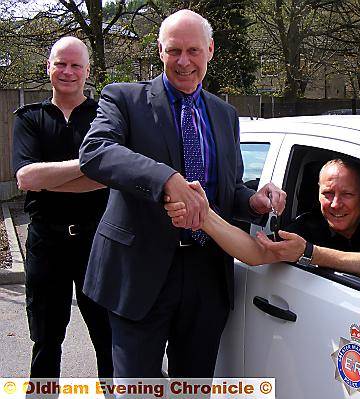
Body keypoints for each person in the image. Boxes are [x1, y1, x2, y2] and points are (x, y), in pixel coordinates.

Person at [78, 9, 285, 378]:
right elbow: (95, 152)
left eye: (193, 50)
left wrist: (253, 200)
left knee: (194, 385)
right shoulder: (124, 99)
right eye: (174, 51)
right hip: (139, 274)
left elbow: (229, 188)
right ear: (160, 50)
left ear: (210, 50)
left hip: (206, 274)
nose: (184, 61)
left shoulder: (225, 114)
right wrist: (165, 179)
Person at [12, 37, 113, 378]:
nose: (67, 71)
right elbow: (26, 177)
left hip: (97, 245)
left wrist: (51, 177)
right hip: (46, 246)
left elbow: (114, 177)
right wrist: (91, 164)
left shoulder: (105, 116)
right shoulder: (30, 118)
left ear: (88, 71)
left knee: (107, 337)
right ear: (48, 67)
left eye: (75, 65)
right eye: (60, 64)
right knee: (45, 339)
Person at [167, 158, 360, 282]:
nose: (335, 204)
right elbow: (255, 253)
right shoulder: (306, 227)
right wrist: (204, 215)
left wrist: (310, 253)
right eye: (327, 194)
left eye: (347, 195)